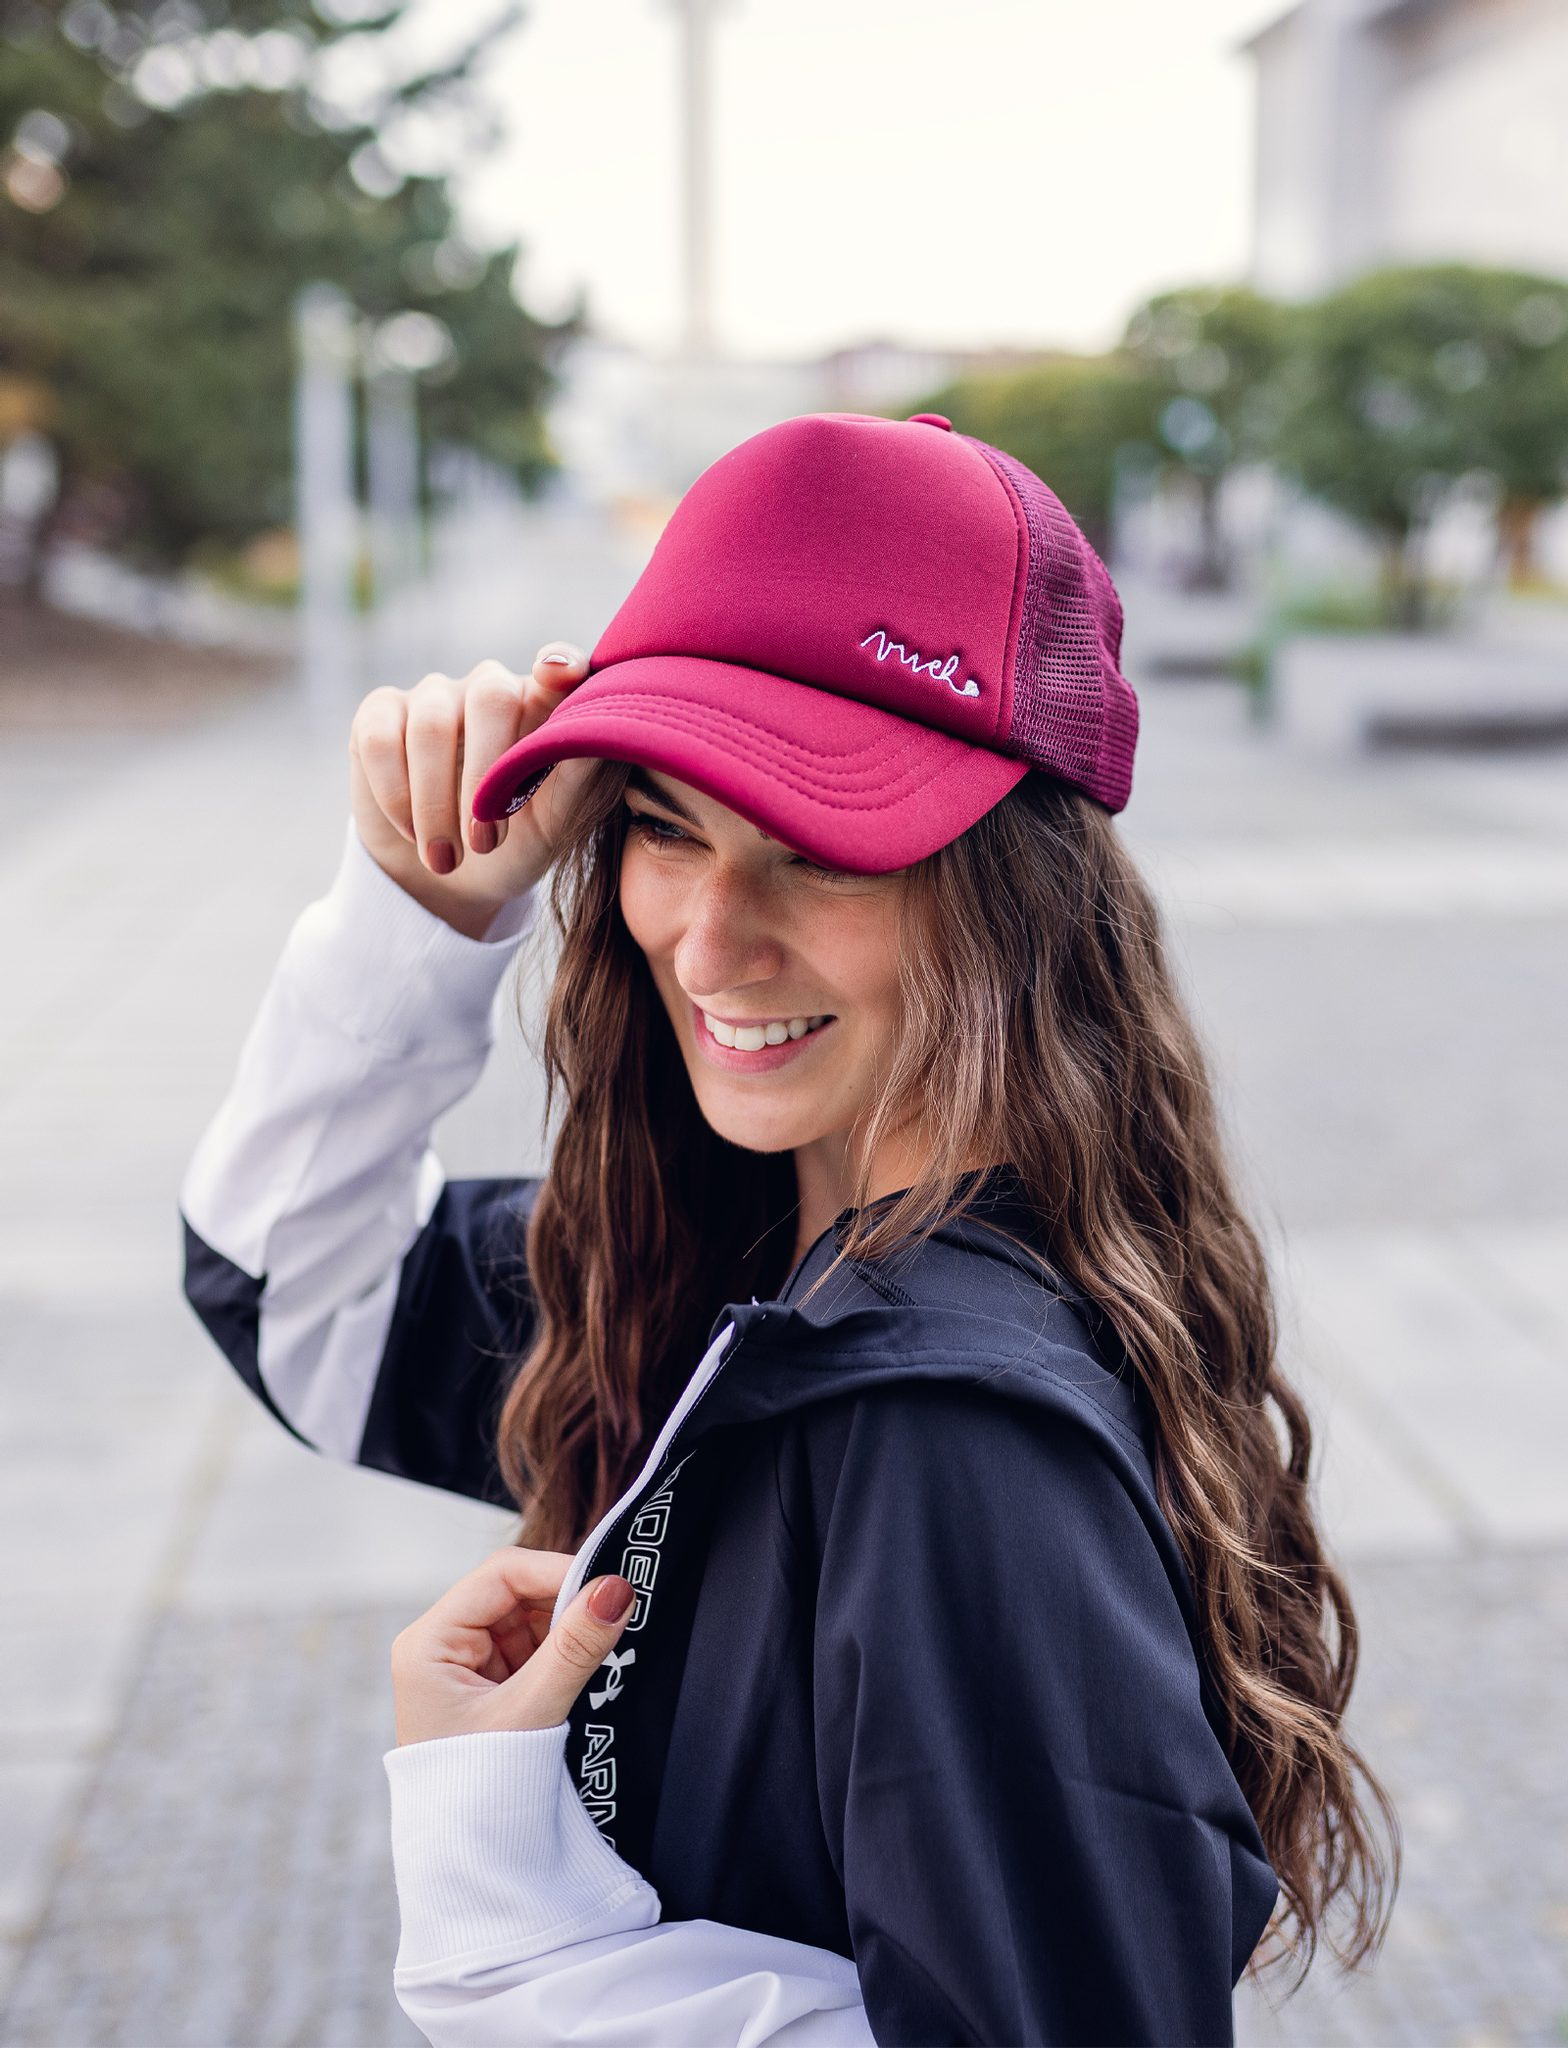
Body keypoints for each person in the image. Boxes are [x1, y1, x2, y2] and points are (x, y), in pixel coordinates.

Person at [179, 411, 1399, 2047]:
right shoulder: (720, 1257)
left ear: (1017, 891)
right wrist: (421, 908)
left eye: (819, 849)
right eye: (663, 825)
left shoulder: (945, 1433)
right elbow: (293, 1297)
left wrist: (505, 1920)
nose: (708, 942)